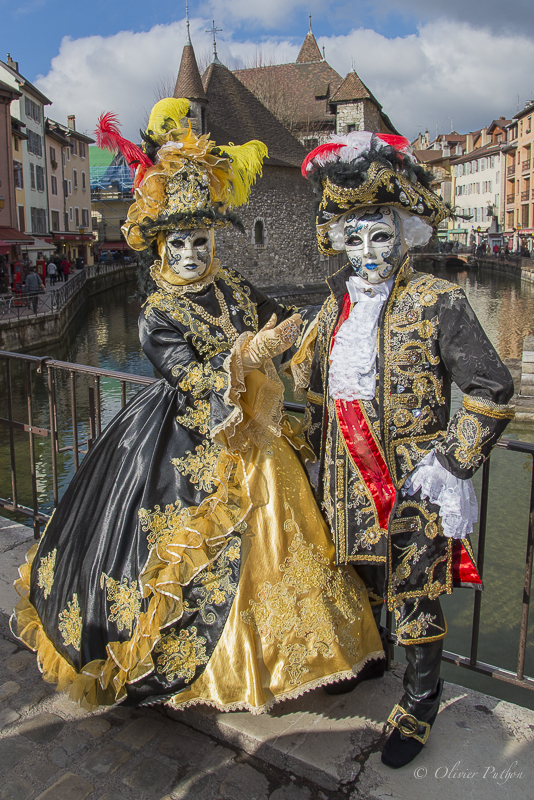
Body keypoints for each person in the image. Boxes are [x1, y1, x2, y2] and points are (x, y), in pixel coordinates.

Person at [13, 99, 383, 714]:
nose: (190, 253)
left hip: (260, 434)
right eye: (179, 242)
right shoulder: (158, 312)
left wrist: (324, 322)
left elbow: (278, 317)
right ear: (161, 247)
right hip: (188, 439)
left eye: (201, 240)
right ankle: (226, 667)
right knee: (191, 558)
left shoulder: (231, 285)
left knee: (292, 542)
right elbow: (188, 376)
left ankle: (313, 654)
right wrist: (248, 352)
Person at [288, 132, 515, 768]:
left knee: (416, 593)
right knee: (358, 578)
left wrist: (452, 461)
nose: (365, 253)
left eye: (379, 236)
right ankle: (369, 655)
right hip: (344, 476)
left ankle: (419, 702)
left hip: (412, 483)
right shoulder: (334, 304)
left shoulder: (439, 302)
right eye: (353, 238)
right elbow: (303, 380)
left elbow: (493, 389)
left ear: (405, 232)